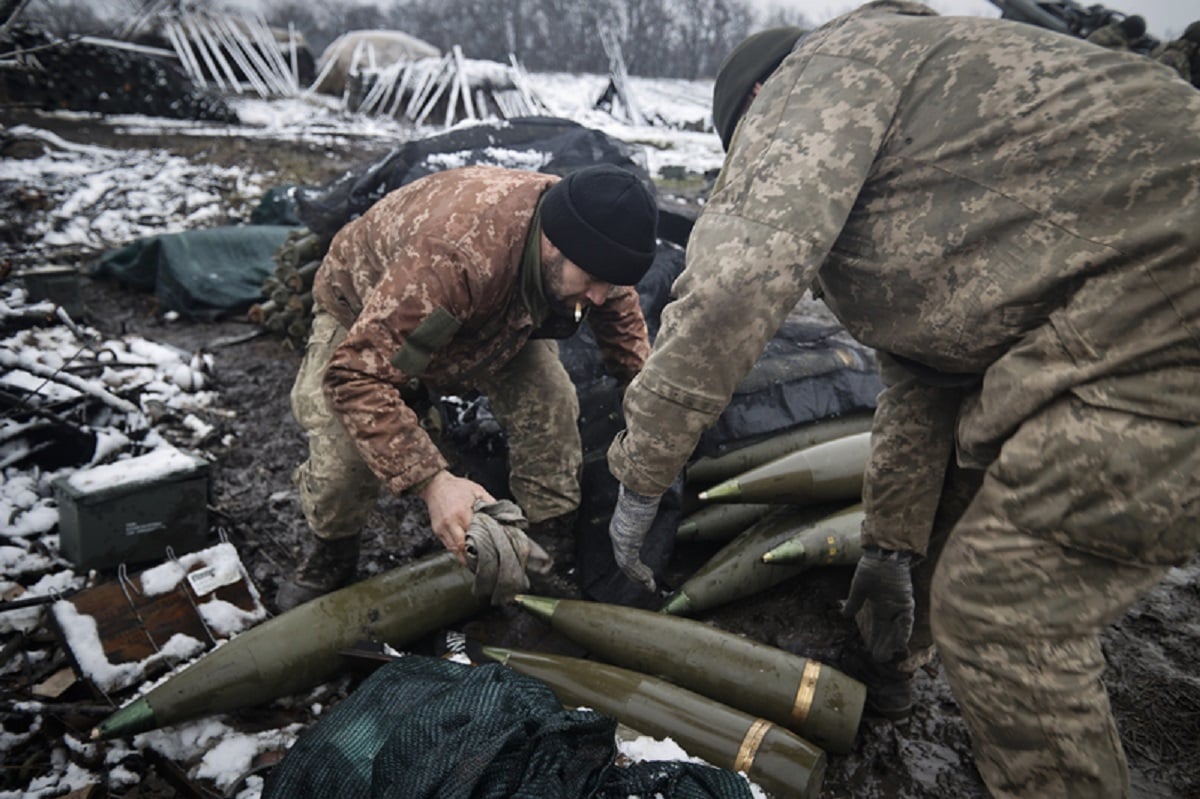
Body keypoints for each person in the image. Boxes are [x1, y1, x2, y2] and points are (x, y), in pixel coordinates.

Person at [605, 2, 1200, 797]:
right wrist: (890, 549)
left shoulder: (819, 76)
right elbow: (927, 379)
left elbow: (731, 287)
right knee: (958, 533)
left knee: (1001, 610)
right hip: (1127, 300)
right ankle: (893, 660)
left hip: (1159, 312)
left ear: (756, 110)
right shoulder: (936, 151)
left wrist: (641, 473)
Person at [276, 163, 659, 611]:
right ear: (553, 243)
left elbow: (623, 331)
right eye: (592, 280)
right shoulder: (454, 256)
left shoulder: (595, 246)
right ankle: (332, 550)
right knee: (345, 460)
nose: (598, 296)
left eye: (611, 283)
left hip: (498, 316)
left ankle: (550, 539)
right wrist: (433, 483)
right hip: (367, 308)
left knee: (551, 402)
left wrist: (650, 408)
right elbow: (356, 376)